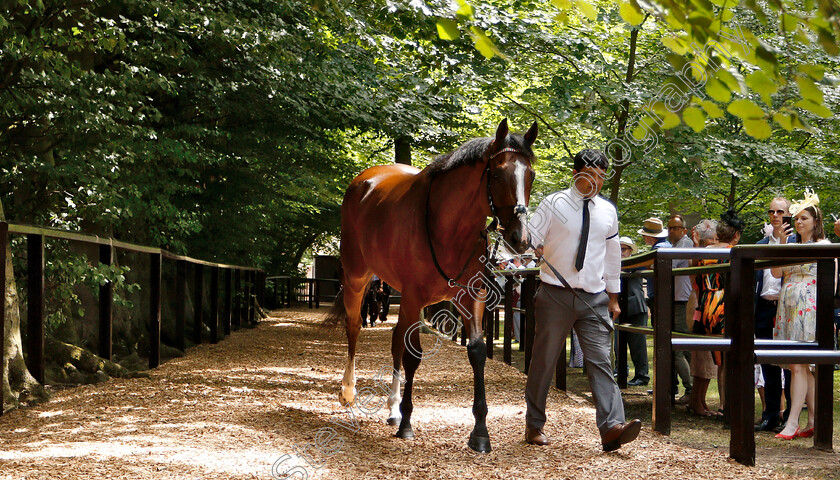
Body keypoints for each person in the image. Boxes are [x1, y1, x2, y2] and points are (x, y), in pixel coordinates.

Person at [525, 149, 641, 451]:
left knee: (602, 361)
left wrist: (613, 297)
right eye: (592, 175)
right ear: (577, 174)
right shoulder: (553, 204)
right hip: (554, 293)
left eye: (602, 177)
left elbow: (612, 256)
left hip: (594, 297)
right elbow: (529, 239)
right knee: (544, 361)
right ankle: (534, 424)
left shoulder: (608, 211)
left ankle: (612, 428)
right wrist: (530, 246)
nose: (597, 182)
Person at [772, 190, 830, 440]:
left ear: (816, 222)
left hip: (809, 307)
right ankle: (815, 419)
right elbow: (775, 273)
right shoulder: (792, 245)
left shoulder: (825, 247)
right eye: (796, 218)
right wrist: (782, 245)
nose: (799, 222)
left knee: (799, 363)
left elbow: (832, 282)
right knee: (802, 366)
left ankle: (792, 420)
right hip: (788, 306)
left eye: (804, 218)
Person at [693, 210, 745, 417]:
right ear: (736, 235)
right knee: (729, 355)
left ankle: (724, 404)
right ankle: (727, 404)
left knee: (720, 358)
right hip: (724, 304)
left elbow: (696, 280)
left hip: (706, 303)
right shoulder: (734, 252)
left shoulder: (703, 252)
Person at [754, 197, 793, 432]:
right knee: (767, 364)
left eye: (780, 211)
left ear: (788, 214)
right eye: (772, 211)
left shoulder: (795, 243)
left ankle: (790, 414)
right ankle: (769, 415)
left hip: (787, 308)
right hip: (764, 308)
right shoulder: (761, 244)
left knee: (790, 364)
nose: (776, 215)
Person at [687, 219, 720, 417]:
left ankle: (699, 400)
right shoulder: (702, 257)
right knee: (702, 357)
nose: (717, 243)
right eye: (713, 240)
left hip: (707, 306)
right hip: (702, 306)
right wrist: (697, 246)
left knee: (706, 358)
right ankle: (696, 402)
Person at [666, 215, 694, 404]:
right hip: (676, 299)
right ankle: (678, 387)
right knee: (678, 346)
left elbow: (670, 264)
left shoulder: (685, 243)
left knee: (678, 347)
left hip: (682, 301)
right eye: (669, 228)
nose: (671, 231)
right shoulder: (676, 246)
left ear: (684, 229)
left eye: (675, 228)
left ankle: (691, 389)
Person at [617, 236, 649, 386]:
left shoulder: (637, 263)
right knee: (619, 343)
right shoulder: (615, 264)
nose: (621, 252)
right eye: (619, 249)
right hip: (620, 308)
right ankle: (621, 371)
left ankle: (642, 376)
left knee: (638, 345)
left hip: (635, 308)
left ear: (630, 251)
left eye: (623, 249)